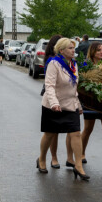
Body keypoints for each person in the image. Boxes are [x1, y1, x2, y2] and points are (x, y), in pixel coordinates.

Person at [37, 38, 89, 180]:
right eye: (70, 48)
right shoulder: (54, 63)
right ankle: (41, 159)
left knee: (75, 133)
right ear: (61, 50)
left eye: (74, 48)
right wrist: (54, 103)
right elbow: (49, 86)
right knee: (49, 134)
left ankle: (78, 165)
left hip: (70, 105)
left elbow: (73, 87)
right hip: (53, 106)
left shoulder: (73, 65)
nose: (74, 50)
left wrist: (78, 104)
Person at [41, 34, 63, 169]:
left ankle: (69, 158)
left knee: (57, 130)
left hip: (63, 97)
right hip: (52, 97)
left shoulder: (63, 60)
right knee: (52, 131)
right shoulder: (51, 61)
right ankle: (51, 157)